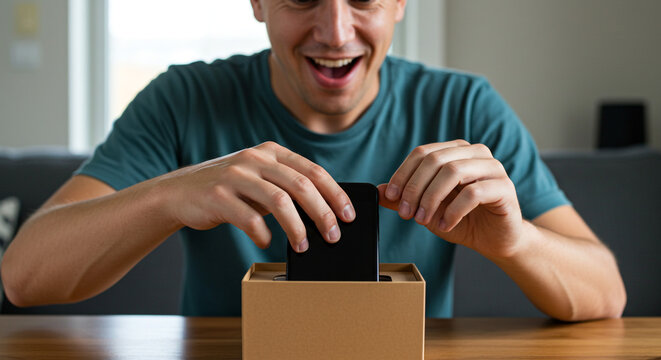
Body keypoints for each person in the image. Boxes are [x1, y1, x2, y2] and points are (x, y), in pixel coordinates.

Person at [1, 0, 625, 320]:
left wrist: (517, 242)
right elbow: (24, 277)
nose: (334, 31)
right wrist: (170, 193)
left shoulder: (463, 107)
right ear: (257, 1)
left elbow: (607, 295)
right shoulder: (185, 99)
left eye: (363, 0)